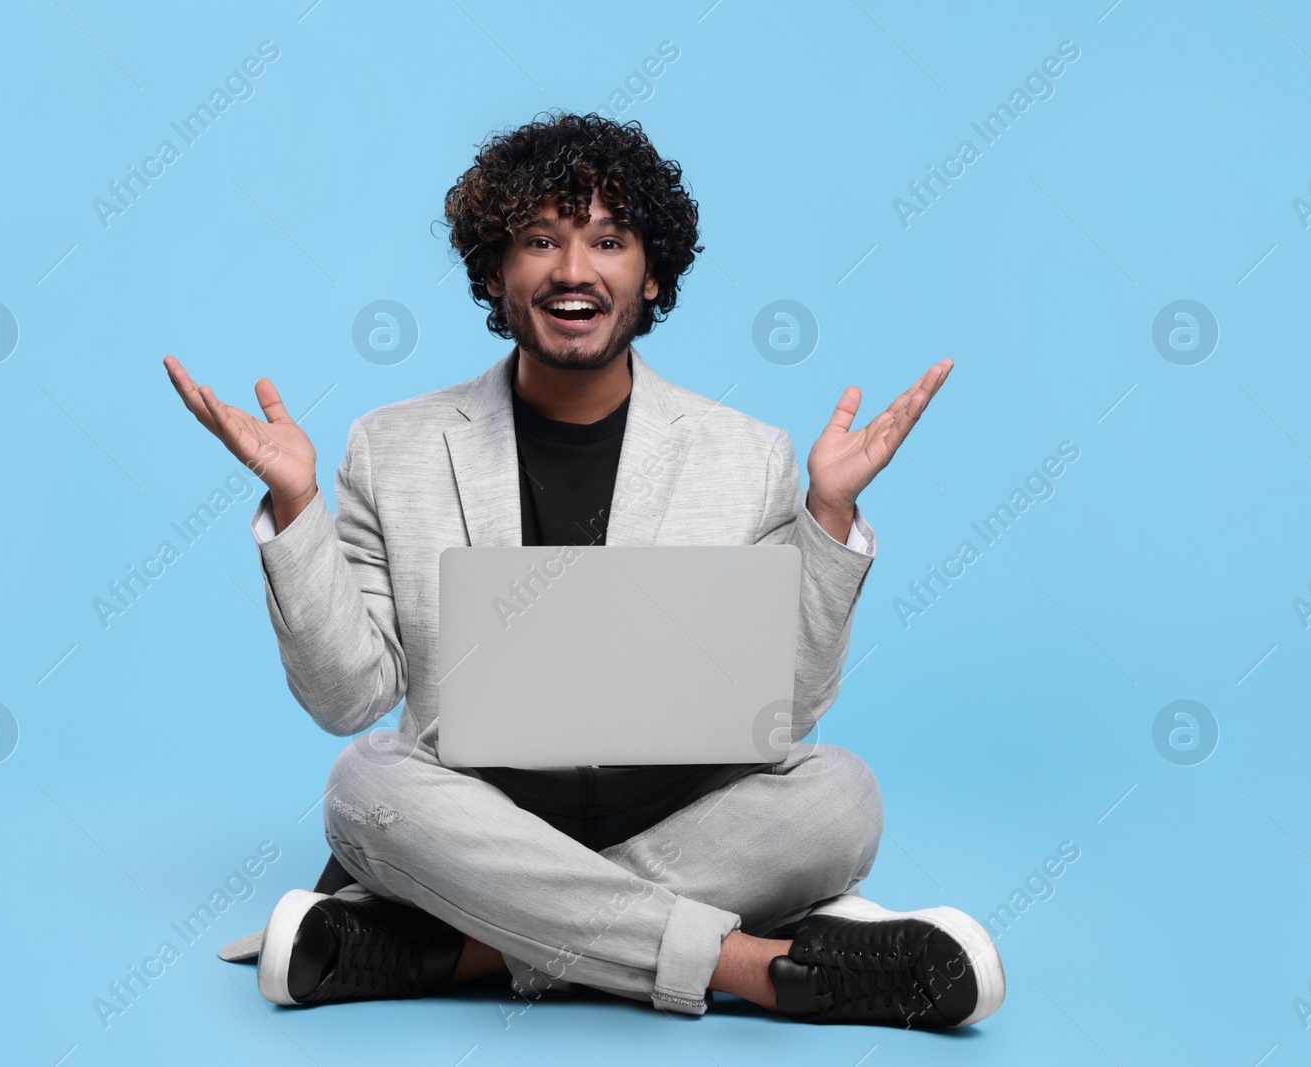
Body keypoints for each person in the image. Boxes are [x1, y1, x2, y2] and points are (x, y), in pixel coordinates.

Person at [164, 111, 1002, 1028]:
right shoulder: (392, 445)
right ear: (495, 271)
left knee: (840, 794)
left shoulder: (747, 454)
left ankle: (459, 946)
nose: (574, 270)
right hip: (478, 815)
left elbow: (787, 709)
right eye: (539, 240)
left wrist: (828, 515)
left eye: (609, 239)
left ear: (651, 276)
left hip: (679, 817)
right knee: (364, 784)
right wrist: (295, 505)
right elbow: (348, 697)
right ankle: (753, 964)